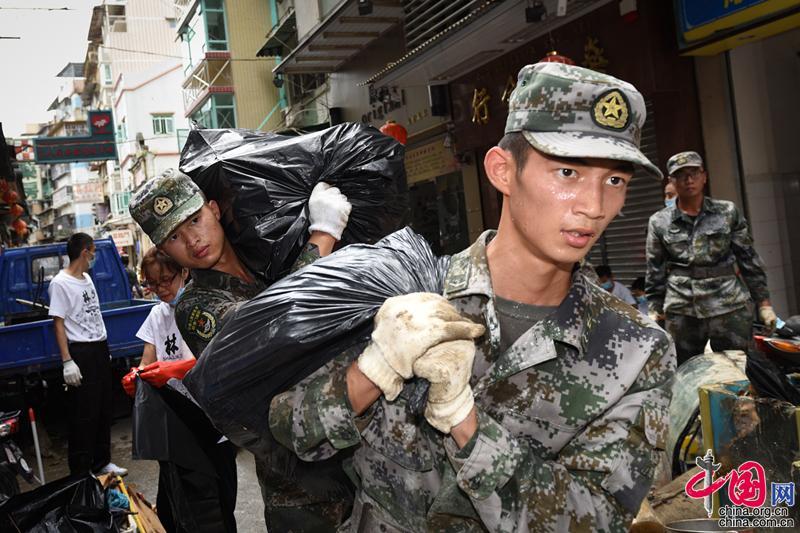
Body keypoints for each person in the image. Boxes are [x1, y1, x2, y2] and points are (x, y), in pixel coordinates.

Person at [269, 62, 676, 531]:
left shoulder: (637, 350)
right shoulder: (405, 291)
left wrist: (465, 422)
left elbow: (597, 520)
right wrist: (373, 369)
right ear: (503, 171)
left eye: (615, 180)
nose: (594, 206)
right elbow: (293, 432)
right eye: (567, 171)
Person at [129, 169, 355, 531]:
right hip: (304, 488)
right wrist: (323, 235)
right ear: (164, 249)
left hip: (357, 451)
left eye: (194, 219)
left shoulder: (267, 260)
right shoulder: (198, 306)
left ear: (214, 209)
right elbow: (274, 335)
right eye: (174, 236)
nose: (192, 240)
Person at [124, 247, 237, 532]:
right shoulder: (156, 316)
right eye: (152, 283)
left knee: (218, 502)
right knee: (177, 501)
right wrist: (135, 376)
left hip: (209, 419)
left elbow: (218, 358)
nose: (160, 289)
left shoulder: (202, 308)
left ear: (183, 272)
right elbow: (147, 361)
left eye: (166, 280)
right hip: (174, 423)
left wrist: (175, 369)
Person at [645, 151, 776, 365]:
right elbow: (655, 268)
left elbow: (748, 259)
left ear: (704, 176)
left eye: (694, 173)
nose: (689, 180)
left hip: (729, 304)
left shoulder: (727, 212)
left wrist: (764, 303)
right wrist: (654, 308)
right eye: (681, 175)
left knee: (742, 367)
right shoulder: (659, 222)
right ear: (672, 181)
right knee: (684, 370)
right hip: (682, 308)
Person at [48, 232, 127, 477]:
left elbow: (94, 314)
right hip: (80, 352)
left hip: (99, 349)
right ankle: (81, 471)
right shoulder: (60, 283)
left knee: (104, 407)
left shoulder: (87, 279)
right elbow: (58, 323)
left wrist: (105, 347)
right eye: (92, 251)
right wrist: (67, 361)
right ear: (85, 252)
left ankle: (102, 461)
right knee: (84, 412)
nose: (94, 256)